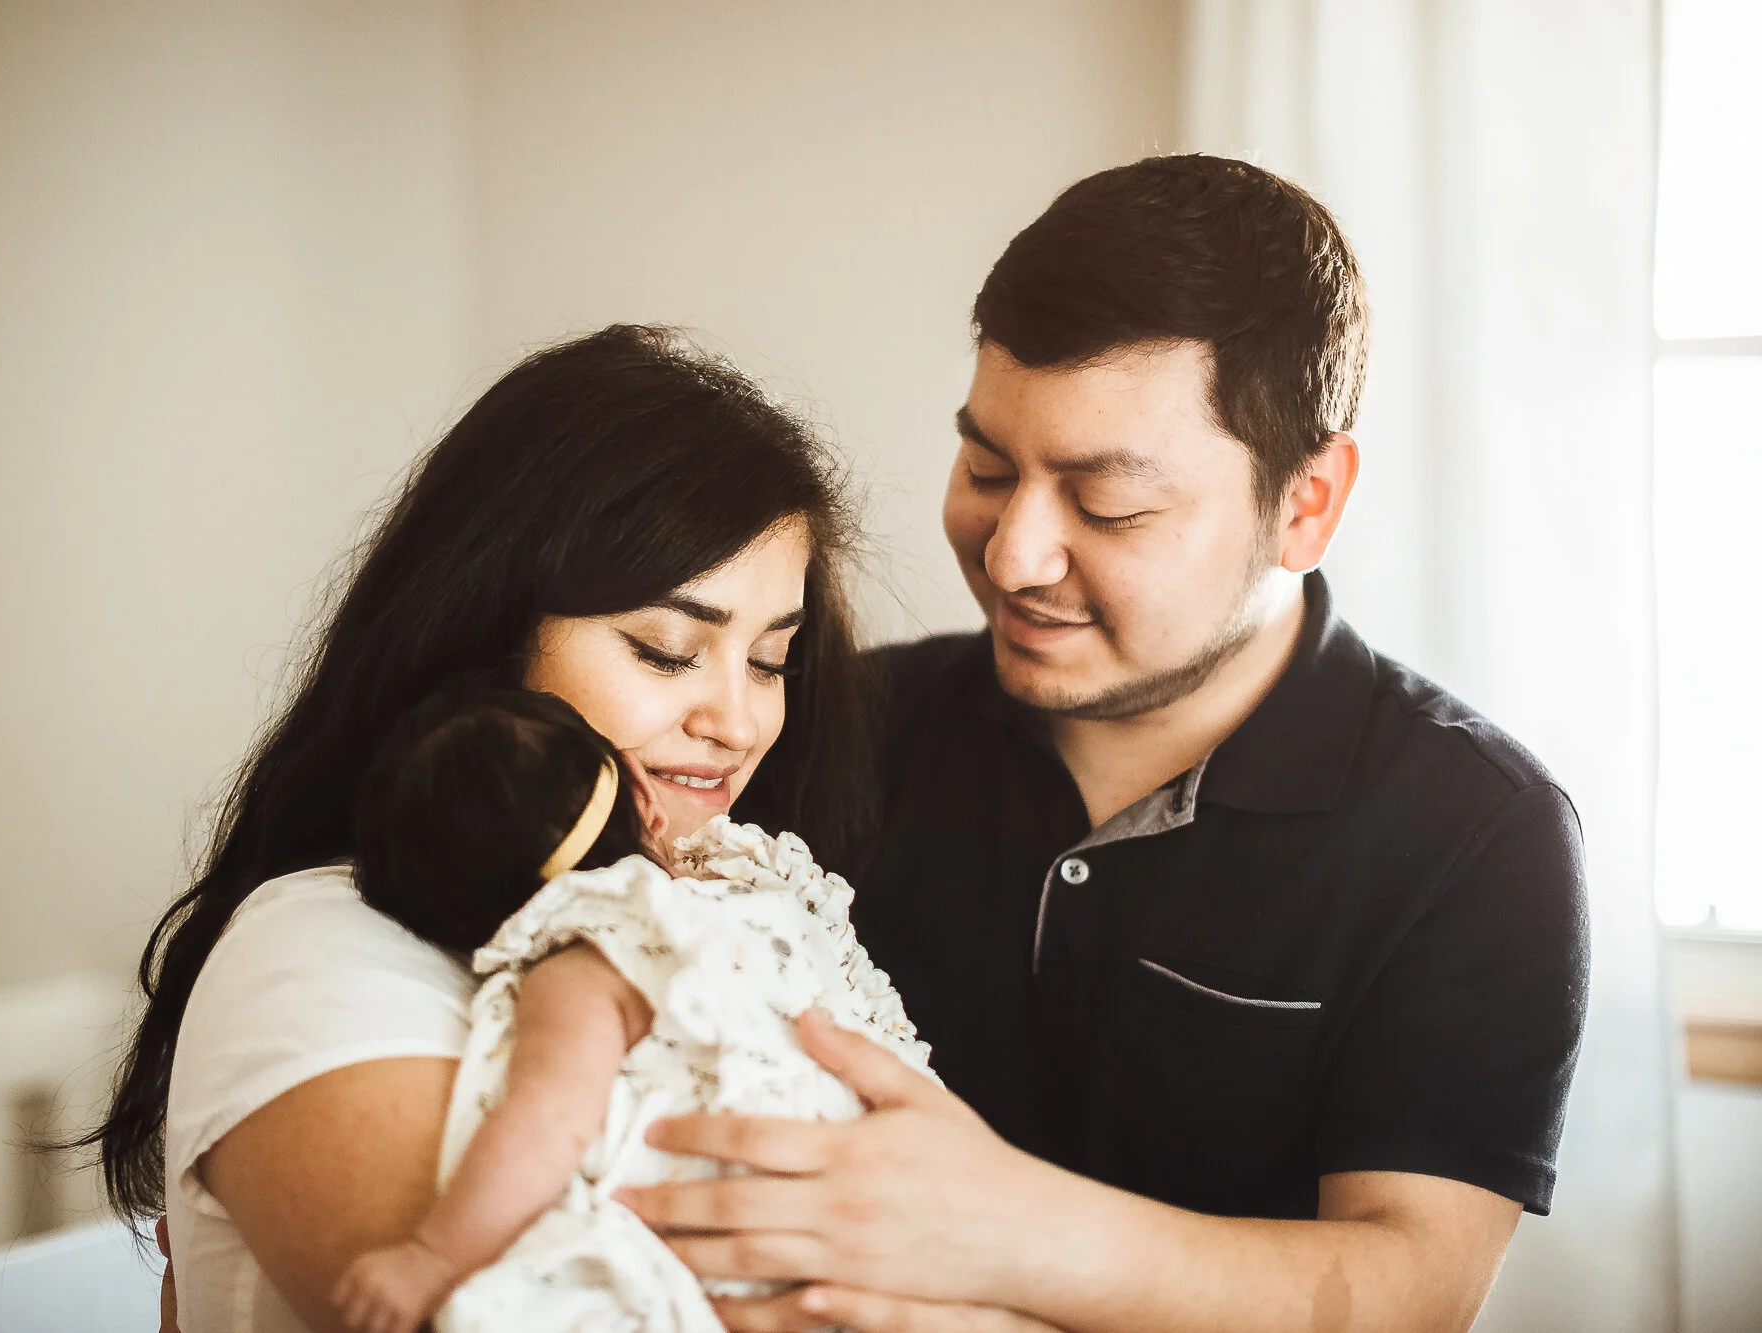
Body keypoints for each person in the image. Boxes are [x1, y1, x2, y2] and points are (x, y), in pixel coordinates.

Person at [618, 154, 1591, 1333]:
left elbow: (1408, 1290)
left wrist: (1005, 1228)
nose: (1013, 554)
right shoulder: (829, 720)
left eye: (1108, 505)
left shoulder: (1475, 831)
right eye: (986, 466)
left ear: (1306, 503)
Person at [91, 323, 955, 1333]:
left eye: (770, 661)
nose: (737, 721)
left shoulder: (712, 915)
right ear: (488, 628)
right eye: (666, 649)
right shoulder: (317, 947)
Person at [331, 683, 932, 1332]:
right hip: (885, 1220)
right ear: (645, 801)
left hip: (761, 1248)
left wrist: (430, 1255)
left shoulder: (583, 954)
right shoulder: (744, 892)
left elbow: (550, 1119)